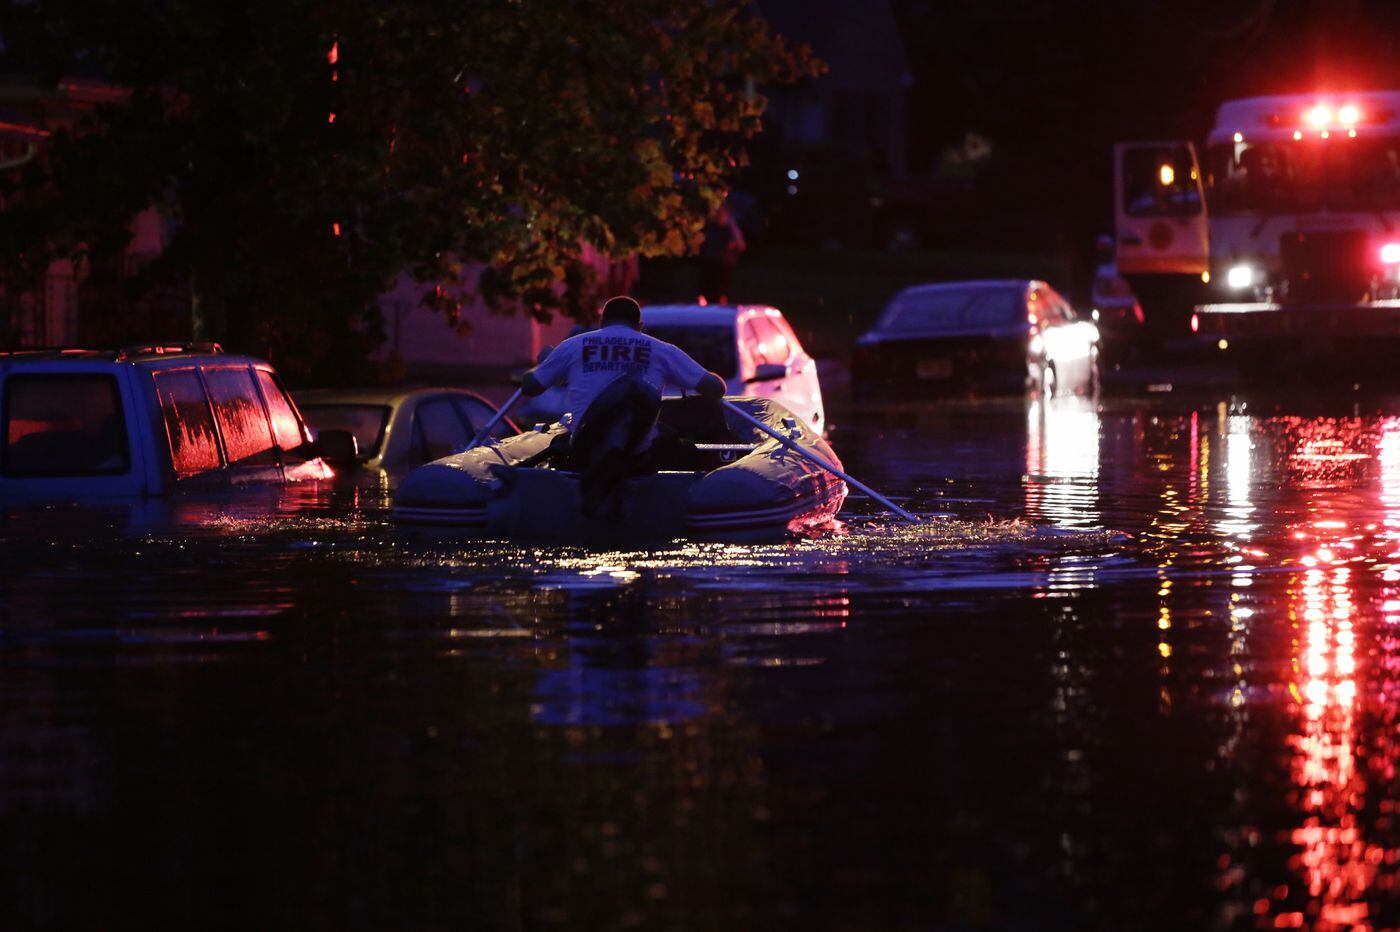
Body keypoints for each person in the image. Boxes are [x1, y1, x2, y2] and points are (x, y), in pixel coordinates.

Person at [520, 295, 725, 515]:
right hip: (639, 453)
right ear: (640, 326)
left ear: (602, 323)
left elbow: (530, 386)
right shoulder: (663, 350)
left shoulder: (572, 346)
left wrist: (545, 362)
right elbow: (715, 389)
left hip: (584, 449)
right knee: (679, 443)